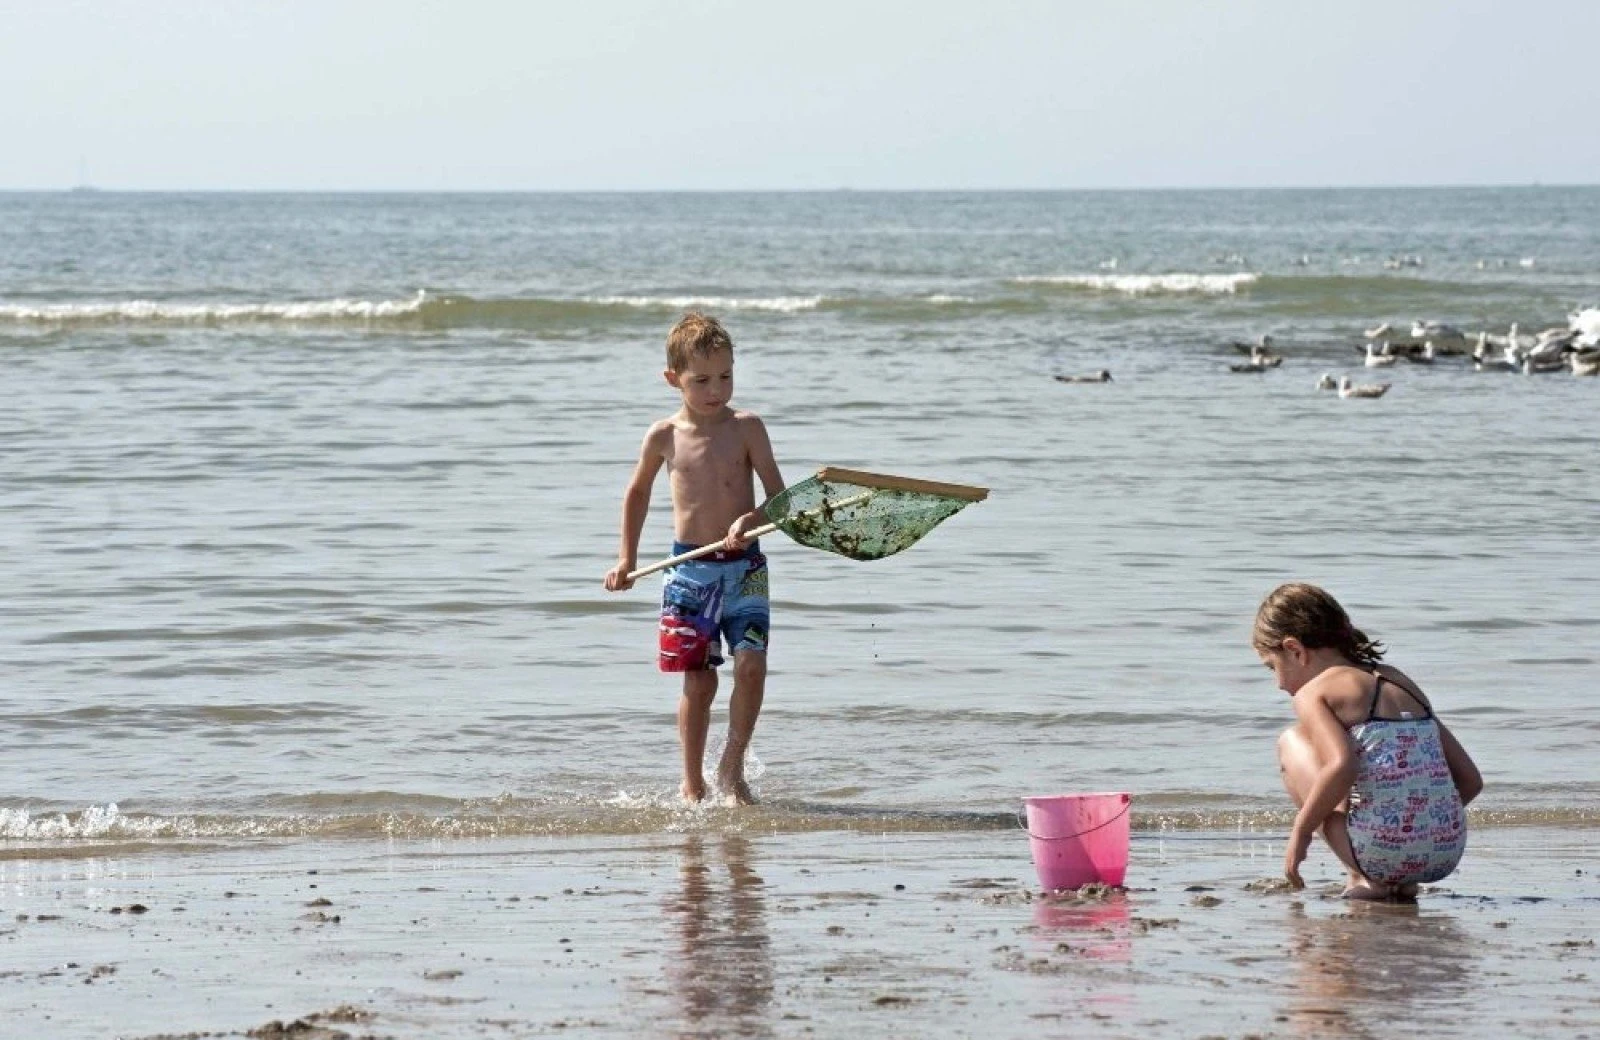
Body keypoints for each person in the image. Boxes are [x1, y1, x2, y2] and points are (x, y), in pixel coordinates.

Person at [603, 313, 785, 805]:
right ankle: (692, 780)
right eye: (701, 380)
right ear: (673, 379)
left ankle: (732, 766)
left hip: (745, 569)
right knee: (699, 681)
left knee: (751, 666)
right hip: (689, 571)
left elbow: (779, 498)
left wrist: (748, 521)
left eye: (725, 376)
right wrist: (626, 558)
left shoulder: (747, 428)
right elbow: (637, 493)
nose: (716, 389)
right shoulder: (663, 435)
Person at [1252, 583, 1483, 900]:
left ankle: (1366, 877)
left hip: (1378, 855)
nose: (1278, 684)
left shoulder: (1313, 692)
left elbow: (1343, 766)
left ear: (1294, 650)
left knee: (1291, 742)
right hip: (1445, 853)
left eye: (1272, 667)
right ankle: (1399, 880)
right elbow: (1470, 780)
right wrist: (1422, 827)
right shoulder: (1398, 680)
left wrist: (1300, 833)